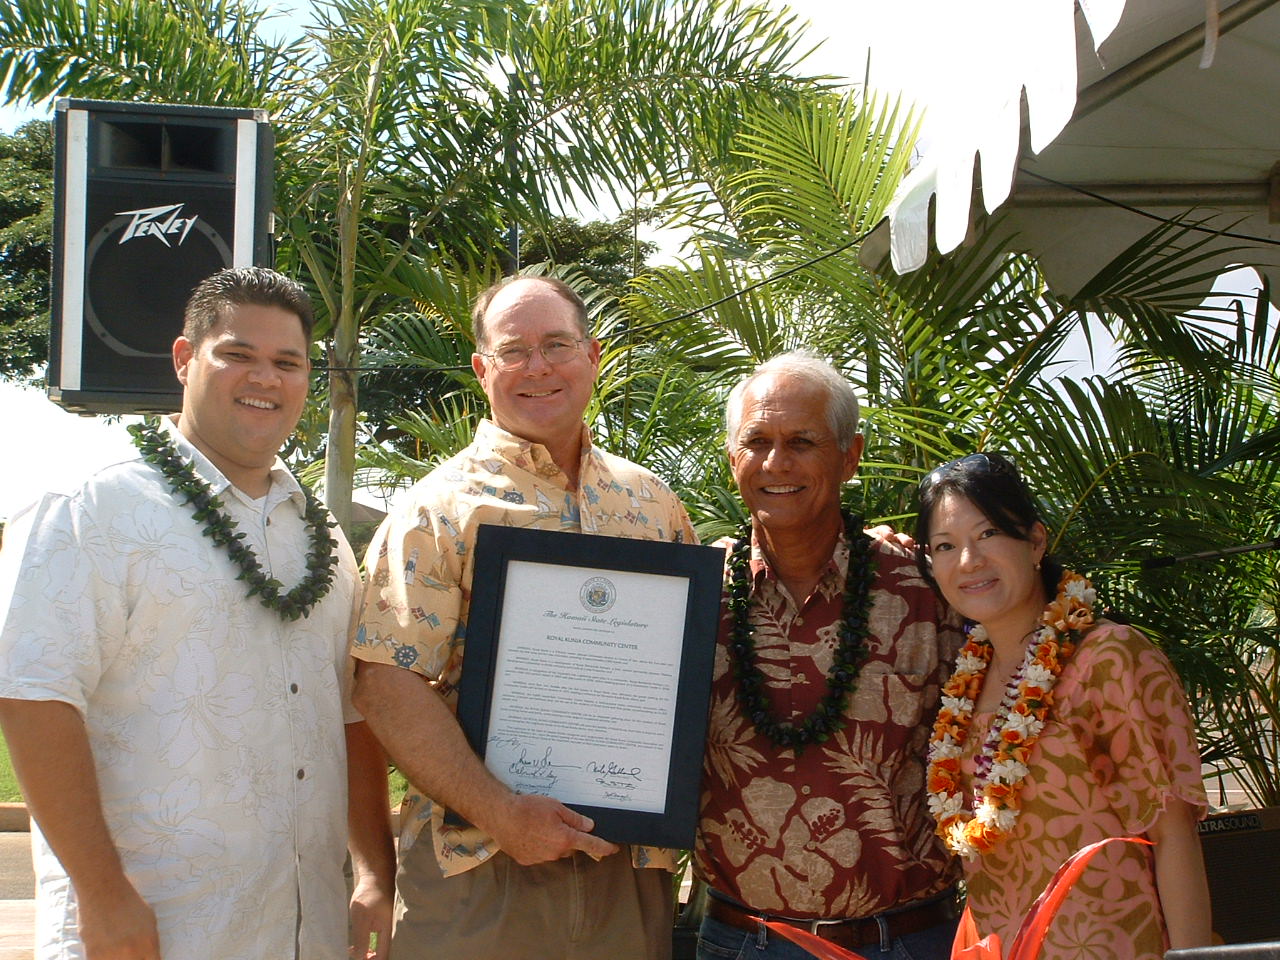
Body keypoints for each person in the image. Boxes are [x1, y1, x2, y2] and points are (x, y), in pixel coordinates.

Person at [0, 267, 394, 960]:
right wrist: (102, 894)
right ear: (184, 359)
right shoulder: (90, 507)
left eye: (287, 362)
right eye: (237, 354)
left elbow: (350, 715)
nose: (264, 379)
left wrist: (374, 872)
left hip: (304, 934)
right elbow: (34, 696)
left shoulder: (323, 538)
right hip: (148, 930)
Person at [351, 274, 697, 960]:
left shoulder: (653, 505)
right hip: (479, 873)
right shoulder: (435, 511)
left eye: (557, 345)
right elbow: (386, 685)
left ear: (593, 356)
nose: (537, 367)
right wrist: (502, 814)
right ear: (483, 370)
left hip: (624, 873)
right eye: (514, 352)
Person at [696, 351, 964, 960]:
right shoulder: (690, 597)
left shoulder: (927, 588)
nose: (776, 463)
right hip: (741, 942)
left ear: (850, 456)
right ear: (733, 458)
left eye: (802, 441)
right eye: (756, 441)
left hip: (909, 940)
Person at [913, 452, 1212, 959]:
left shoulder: (1109, 657)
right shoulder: (963, 683)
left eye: (987, 535)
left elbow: (1173, 833)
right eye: (946, 545)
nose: (969, 561)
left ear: (1035, 541)